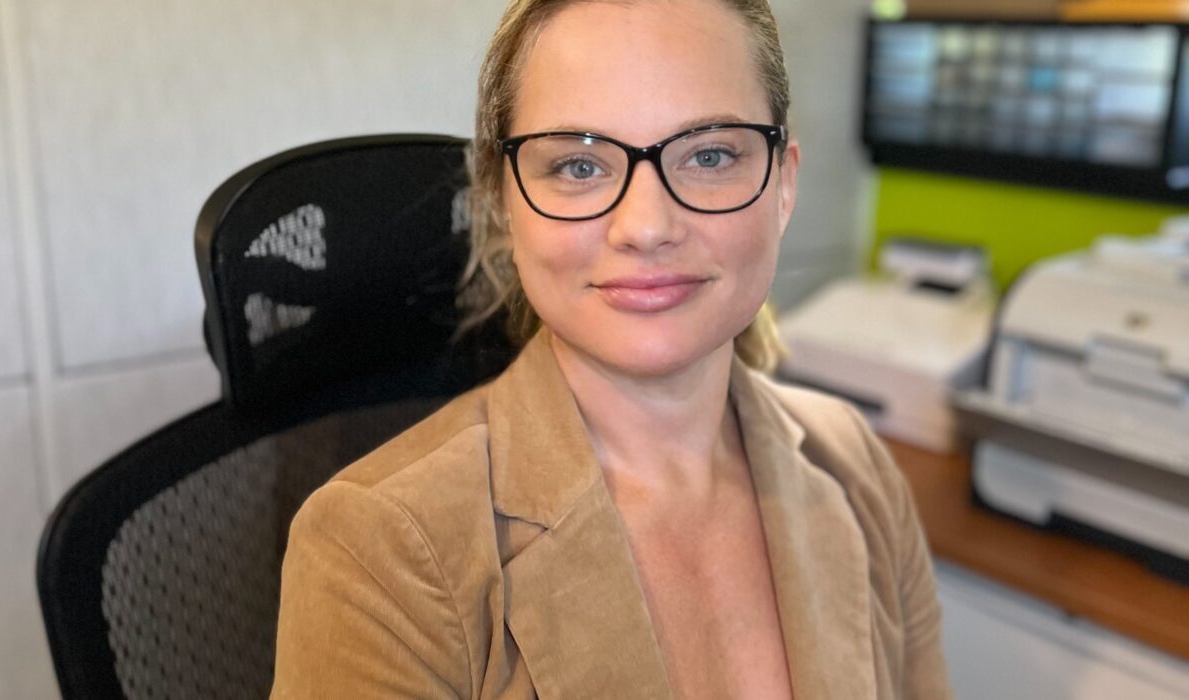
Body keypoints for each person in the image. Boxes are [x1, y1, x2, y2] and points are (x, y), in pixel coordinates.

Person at [271, 0, 953, 697]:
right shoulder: (378, 550)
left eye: (709, 155)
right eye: (578, 166)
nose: (647, 227)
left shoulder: (857, 468)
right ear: (503, 202)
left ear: (783, 185)